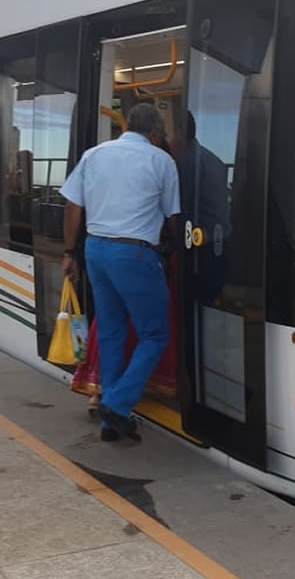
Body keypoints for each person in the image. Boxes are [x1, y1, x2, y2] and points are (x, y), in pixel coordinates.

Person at [60, 103, 180, 442]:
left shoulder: (94, 154)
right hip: (135, 254)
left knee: (111, 332)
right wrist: (179, 251)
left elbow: (73, 206)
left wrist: (69, 252)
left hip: (95, 250)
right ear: (154, 133)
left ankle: (111, 423)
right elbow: (172, 215)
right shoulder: (161, 160)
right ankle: (116, 404)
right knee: (154, 335)